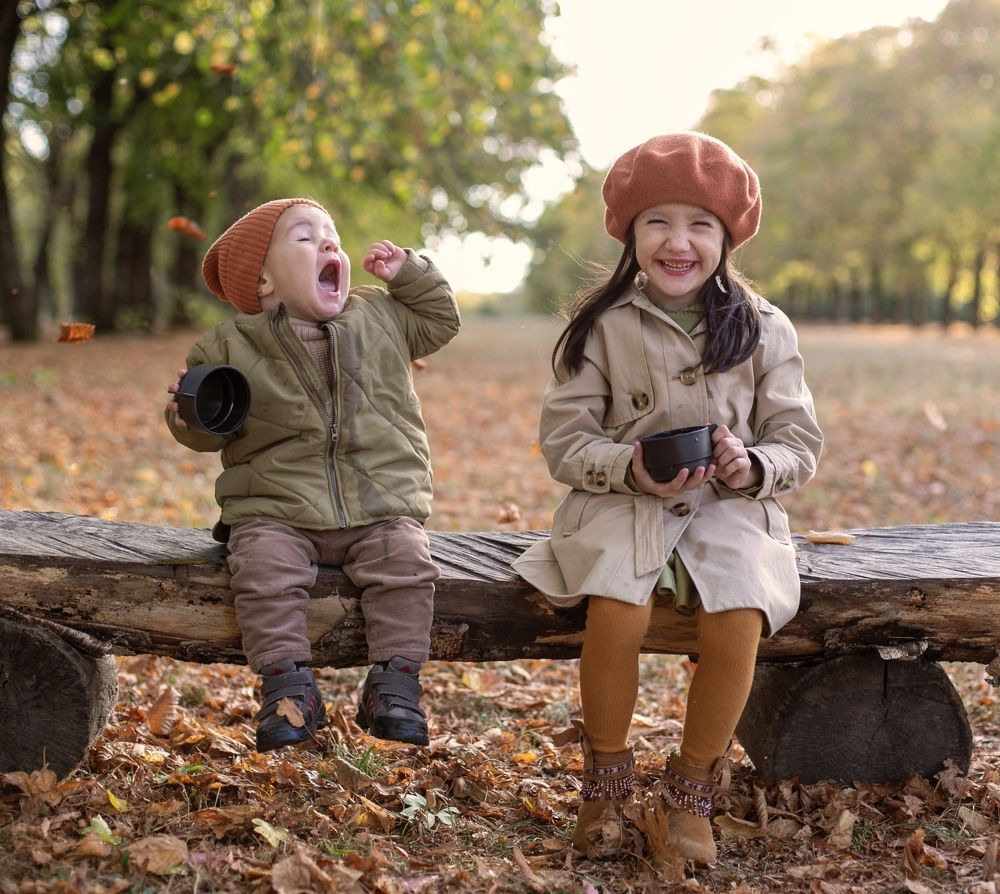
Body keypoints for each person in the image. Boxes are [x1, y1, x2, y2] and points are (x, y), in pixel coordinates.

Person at [512, 133, 823, 864]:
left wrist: (750, 464)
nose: (677, 241)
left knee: (738, 615)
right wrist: (629, 467)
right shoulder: (601, 327)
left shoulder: (764, 327)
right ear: (629, 233)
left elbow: (799, 441)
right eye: (657, 222)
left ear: (726, 237)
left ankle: (691, 792)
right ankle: (606, 781)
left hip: (727, 509)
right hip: (624, 505)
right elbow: (565, 441)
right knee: (616, 607)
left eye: (699, 225)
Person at [165, 198, 460, 753]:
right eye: (305, 238)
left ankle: (395, 684)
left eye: (333, 235)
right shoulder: (228, 344)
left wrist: (410, 274)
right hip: (276, 508)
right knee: (262, 571)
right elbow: (208, 432)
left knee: (408, 566)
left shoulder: (381, 315)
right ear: (264, 282)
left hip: (378, 504)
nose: (329, 244)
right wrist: (189, 413)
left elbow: (442, 319)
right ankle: (287, 687)